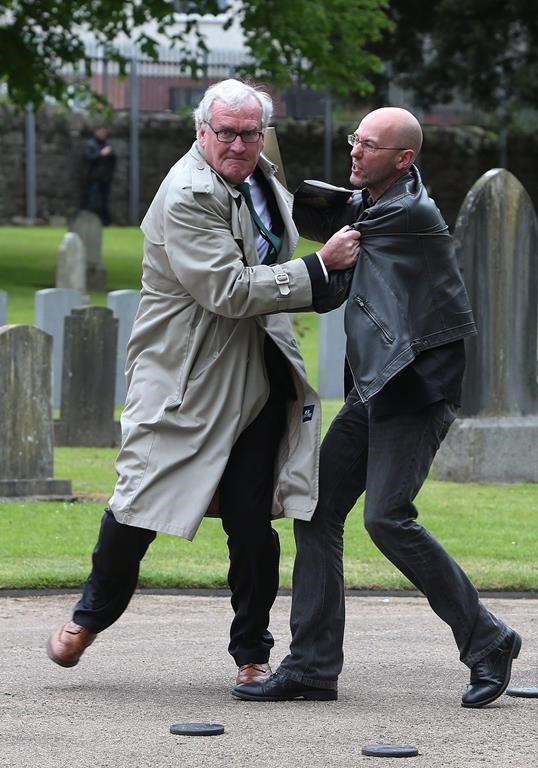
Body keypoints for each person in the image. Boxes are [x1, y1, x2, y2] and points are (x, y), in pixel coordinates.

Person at [46, 79, 359, 689]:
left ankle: (251, 654)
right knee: (137, 503)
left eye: (250, 132)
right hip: (185, 375)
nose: (239, 145)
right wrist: (321, 268)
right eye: (226, 133)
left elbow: (280, 233)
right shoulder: (188, 193)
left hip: (260, 371)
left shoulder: (262, 171)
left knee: (251, 523)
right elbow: (229, 289)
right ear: (201, 131)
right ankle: (88, 619)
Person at [233, 107, 522, 708]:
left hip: (415, 391)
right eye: (354, 140)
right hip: (378, 386)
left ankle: (488, 639)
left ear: (404, 158)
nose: (356, 152)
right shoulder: (381, 199)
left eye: (369, 145)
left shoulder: (402, 214)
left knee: (387, 519)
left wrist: (259, 167)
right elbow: (320, 219)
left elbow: (323, 239)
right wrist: (255, 154)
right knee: (316, 510)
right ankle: (312, 667)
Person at [83, 125, 117, 225]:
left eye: (104, 132)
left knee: (105, 202)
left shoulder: (107, 144)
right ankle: (89, 222)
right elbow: (88, 158)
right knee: (92, 201)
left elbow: (114, 160)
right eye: (101, 132)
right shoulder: (91, 144)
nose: (103, 134)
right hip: (94, 177)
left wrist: (110, 154)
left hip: (106, 178)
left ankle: (106, 222)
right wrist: (101, 154)